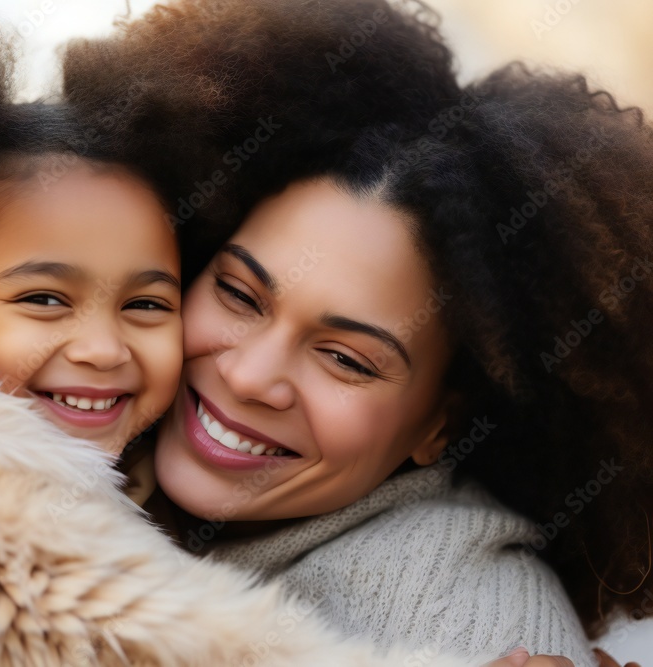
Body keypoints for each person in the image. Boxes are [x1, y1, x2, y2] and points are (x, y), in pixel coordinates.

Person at [61, 0, 653, 666]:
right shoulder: (57, 439)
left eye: (345, 359)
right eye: (237, 293)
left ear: (443, 426)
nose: (250, 376)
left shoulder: (470, 620)